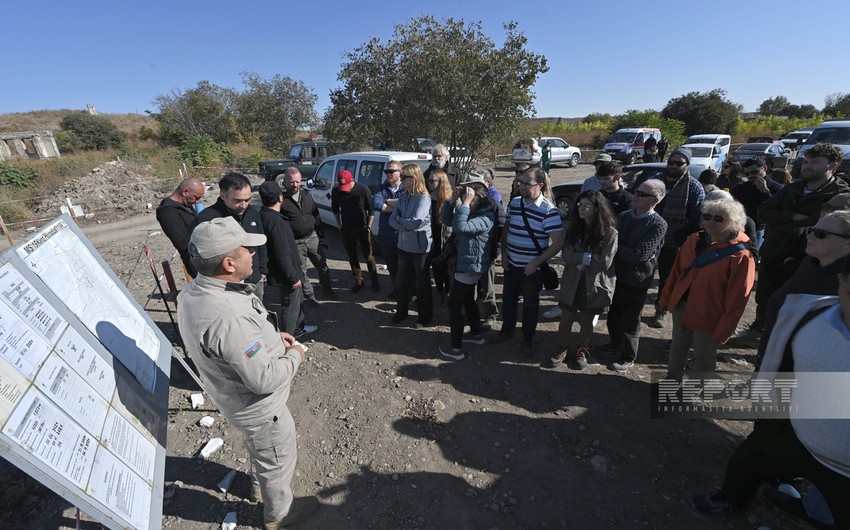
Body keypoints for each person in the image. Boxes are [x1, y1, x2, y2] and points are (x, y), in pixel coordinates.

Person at [177, 217, 318, 530]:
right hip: (260, 410)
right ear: (229, 263)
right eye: (247, 250)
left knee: (262, 451)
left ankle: (258, 487)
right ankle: (279, 514)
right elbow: (263, 379)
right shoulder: (229, 318)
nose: (253, 255)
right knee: (277, 459)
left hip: (233, 399)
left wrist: (271, 339)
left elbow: (231, 347)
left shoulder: (193, 293)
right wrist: (295, 355)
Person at [692, 262, 850, 527]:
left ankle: (810, 510)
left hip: (845, 467)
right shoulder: (809, 314)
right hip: (797, 431)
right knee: (747, 461)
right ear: (841, 280)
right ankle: (731, 500)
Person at [658, 193, 756, 382]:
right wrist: (665, 300)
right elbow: (676, 273)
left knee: (703, 356)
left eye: (719, 218)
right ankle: (671, 382)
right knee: (678, 347)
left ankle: (692, 392)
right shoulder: (693, 240)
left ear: (734, 222)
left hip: (710, 314)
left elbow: (738, 297)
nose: (711, 222)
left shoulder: (741, 256)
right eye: (707, 216)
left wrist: (725, 328)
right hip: (682, 306)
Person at [753, 143, 850, 331]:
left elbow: (823, 224)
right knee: (767, 297)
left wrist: (786, 221)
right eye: (805, 161)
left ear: (833, 165)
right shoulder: (792, 188)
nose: (807, 166)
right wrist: (793, 217)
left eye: (815, 162)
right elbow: (763, 212)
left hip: (809, 259)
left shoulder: (840, 195)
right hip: (775, 252)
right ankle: (757, 332)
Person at [757, 206, 850, 366]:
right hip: (770, 362)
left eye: (821, 234)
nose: (809, 236)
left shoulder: (845, 287)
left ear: (847, 244)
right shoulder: (811, 263)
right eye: (811, 230)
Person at [548, 190, 618, 370]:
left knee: (587, 320)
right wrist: (585, 258)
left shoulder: (610, 233)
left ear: (597, 209)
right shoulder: (573, 228)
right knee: (566, 318)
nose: (581, 209)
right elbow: (566, 255)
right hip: (573, 281)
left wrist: (582, 259)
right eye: (580, 205)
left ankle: (583, 349)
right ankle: (562, 347)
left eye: (586, 206)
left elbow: (605, 261)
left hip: (594, 284)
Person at [499, 166, 564, 354]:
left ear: (540, 185)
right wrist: (504, 253)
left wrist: (535, 263)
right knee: (508, 301)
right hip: (511, 264)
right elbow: (507, 228)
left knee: (530, 306)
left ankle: (528, 340)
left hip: (531, 269)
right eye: (520, 182)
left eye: (527, 184)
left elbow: (558, 243)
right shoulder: (515, 203)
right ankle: (507, 331)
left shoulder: (548, 211)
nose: (521, 187)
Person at [606, 179, 668, 372]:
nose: (636, 196)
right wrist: (620, 250)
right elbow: (611, 242)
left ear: (656, 199)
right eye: (637, 192)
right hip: (616, 274)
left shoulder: (658, 224)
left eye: (642, 194)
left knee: (630, 319)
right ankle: (614, 345)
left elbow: (639, 255)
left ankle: (628, 356)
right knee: (614, 314)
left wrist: (615, 249)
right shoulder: (624, 216)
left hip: (637, 279)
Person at [641, 147, 705, 328]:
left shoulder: (693, 187)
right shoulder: (654, 182)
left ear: (687, 165)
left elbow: (697, 217)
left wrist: (682, 236)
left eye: (679, 163)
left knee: (667, 280)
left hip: (673, 242)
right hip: (648, 238)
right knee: (641, 274)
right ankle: (635, 308)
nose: (674, 166)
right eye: (671, 162)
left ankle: (660, 311)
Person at [438, 182, 496, 360]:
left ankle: (456, 349)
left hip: (470, 266)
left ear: (477, 199)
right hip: (467, 264)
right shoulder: (472, 212)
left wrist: (464, 204)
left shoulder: (485, 217)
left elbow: (460, 228)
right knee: (468, 300)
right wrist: (451, 201)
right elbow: (447, 220)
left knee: (454, 305)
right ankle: (476, 335)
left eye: (468, 196)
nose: (464, 198)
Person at [193, 172, 268, 299]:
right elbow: (197, 256)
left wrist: (262, 271)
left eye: (247, 200)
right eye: (238, 200)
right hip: (225, 287)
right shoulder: (207, 220)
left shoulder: (252, 212)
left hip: (254, 281)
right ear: (223, 195)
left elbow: (261, 244)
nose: (244, 205)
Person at [258, 181, 316, 339]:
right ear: (280, 198)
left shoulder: (262, 215)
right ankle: (289, 339)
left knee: (296, 303)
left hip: (282, 270)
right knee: (289, 306)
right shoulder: (276, 222)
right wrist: (293, 277)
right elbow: (282, 253)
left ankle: (298, 329)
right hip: (287, 274)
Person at [279, 167, 336, 303]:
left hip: (312, 238)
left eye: (298, 182)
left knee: (322, 265)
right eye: (292, 182)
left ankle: (327, 289)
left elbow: (316, 215)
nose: (295, 185)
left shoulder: (306, 195)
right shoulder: (281, 200)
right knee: (302, 271)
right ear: (285, 182)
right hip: (295, 241)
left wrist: (321, 236)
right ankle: (310, 296)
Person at [389, 164, 434, 328]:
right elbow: (391, 220)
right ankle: (401, 312)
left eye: (404, 176)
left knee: (422, 284)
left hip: (420, 249)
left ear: (414, 179)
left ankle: (425, 317)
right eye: (401, 175)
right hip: (403, 246)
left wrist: (402, 221)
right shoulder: (403, 196)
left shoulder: (423, 198)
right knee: (402, 281)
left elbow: (416, 222)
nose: (400, 178)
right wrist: (404, 223)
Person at [332, 170, 380, 293]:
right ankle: (359, 281)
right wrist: (339, 224)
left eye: (347, 186)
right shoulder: (336, 191)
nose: (345, 189)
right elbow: (335, 208)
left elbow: (371, 209)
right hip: (347, 228)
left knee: (368, 255)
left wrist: (369, 226)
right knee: (352, 256)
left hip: (363, 227)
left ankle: (374, 281)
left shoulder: (363, 189)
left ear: (352, 180)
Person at [156, 177, 205, 278]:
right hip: (197, 262)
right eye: (195, 197)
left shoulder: (185, 204)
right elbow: (182, 243)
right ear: (185, 191)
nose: (197, 201)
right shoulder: (168, 212)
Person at [731, 157, 783, 252]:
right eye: (747, 174)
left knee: (752, 256)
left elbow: (778, 209)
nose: (751, 176)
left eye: (754, 172)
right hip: (739, 227)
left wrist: (765, 191)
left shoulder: (777, 188)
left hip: (761, 230)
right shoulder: (741, 188)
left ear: (765, 168)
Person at [373, 160, 404, 298]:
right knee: (392, 266)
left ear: (400, 173)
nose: (388, 174)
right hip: (386, 235)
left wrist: (388, 204)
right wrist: (398, 207)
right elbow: (376, 204)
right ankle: (397, 289)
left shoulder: (406, 188)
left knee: (405, 267)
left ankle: (411, 292)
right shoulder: (382, 187)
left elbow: (407, 205)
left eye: (392, 171)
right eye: (387, 172)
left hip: (402, 235)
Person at [427, 168, 453, 299]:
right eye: (429, 180)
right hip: (432, 241)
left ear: (441, 182)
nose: (429, 183)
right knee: (436, 267)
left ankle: (448, 293)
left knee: (447, 270)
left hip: (447, 241)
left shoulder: (450, 201)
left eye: (432, 180)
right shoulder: (427, 198)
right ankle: (439, 292)